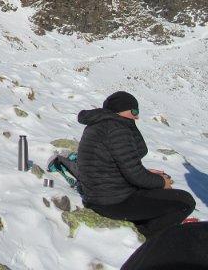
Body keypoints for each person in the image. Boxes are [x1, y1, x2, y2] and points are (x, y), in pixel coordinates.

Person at [77, 91, 196, 239]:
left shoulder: (99, 125)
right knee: (185, 201)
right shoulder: (117, 129)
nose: (137, 116)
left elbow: (115, 166)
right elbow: (136, 176)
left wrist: (149, 174)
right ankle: (151, 234)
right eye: (133, 111)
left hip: (101, 196)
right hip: (113, 202)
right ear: (119, 110)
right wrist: (161, 182)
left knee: (161, 189)